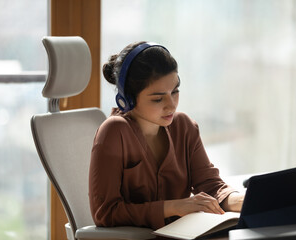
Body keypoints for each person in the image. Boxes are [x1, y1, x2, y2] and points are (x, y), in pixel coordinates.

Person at [89, 41, 244, 230]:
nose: (171, 105)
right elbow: (105, 213)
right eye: (158, 98)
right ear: (127, 98)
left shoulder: (184, 126)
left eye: (175, 91)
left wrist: (244, 200)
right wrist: (173, 207)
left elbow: (210, 185)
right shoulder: (114, 132)